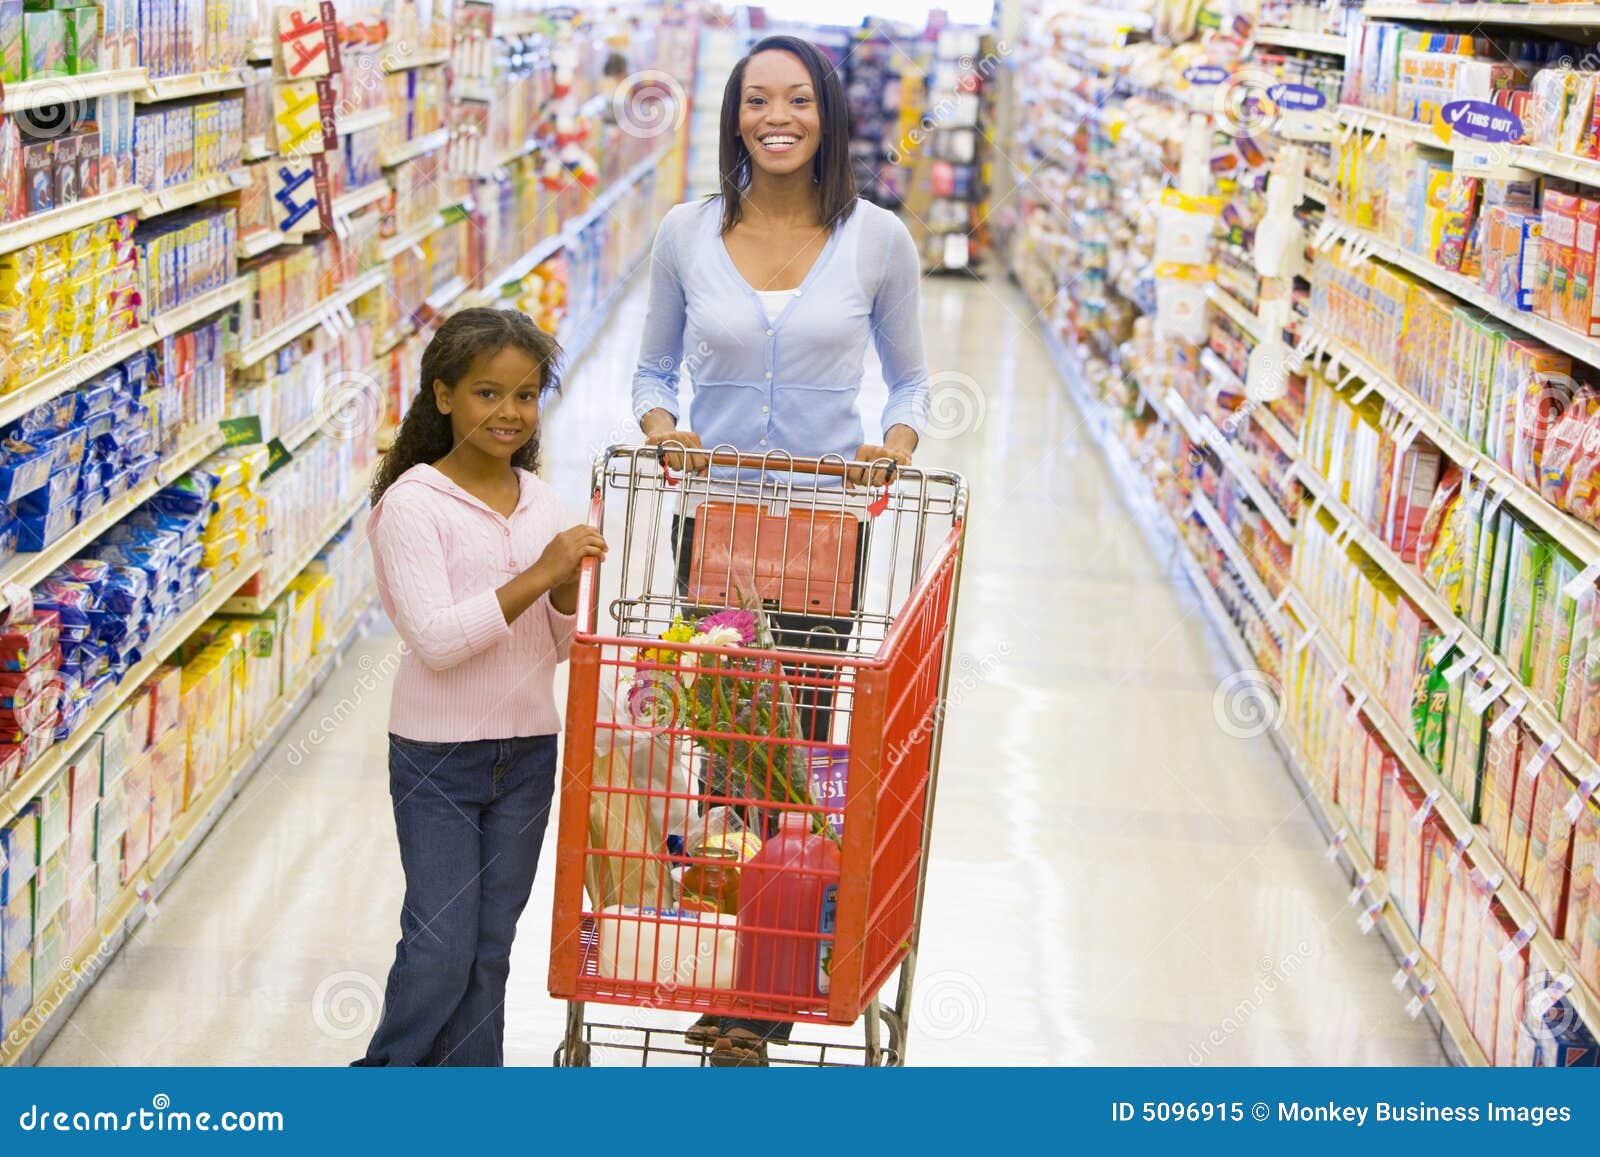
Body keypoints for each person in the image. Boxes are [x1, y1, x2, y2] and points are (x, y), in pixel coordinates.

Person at [630, 34, 929, 1067]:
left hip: (817, 530)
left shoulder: (876, 240)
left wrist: (891, 450)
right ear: (734, 115)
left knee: (795, 753)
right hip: (714, 525)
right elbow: (650, 369)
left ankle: (763, 991)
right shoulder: (685, 231)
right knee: (720, 746)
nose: (777, 116)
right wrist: (664, 431)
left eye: (796, 99)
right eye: (757, 99)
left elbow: (910, 386)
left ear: (827, 114)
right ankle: (729, 967)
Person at [356, 309, 607, 1066]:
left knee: (489, 949)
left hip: (528, 752)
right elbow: (435, 640)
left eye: (525, 397)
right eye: (487, 393)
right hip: (439, 757)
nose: (508, 413)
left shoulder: (542, 502)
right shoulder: (412, 505)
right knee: (440, 946)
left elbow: (558, 646)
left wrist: (567, 591)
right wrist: (541, 573)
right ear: (443, 395)